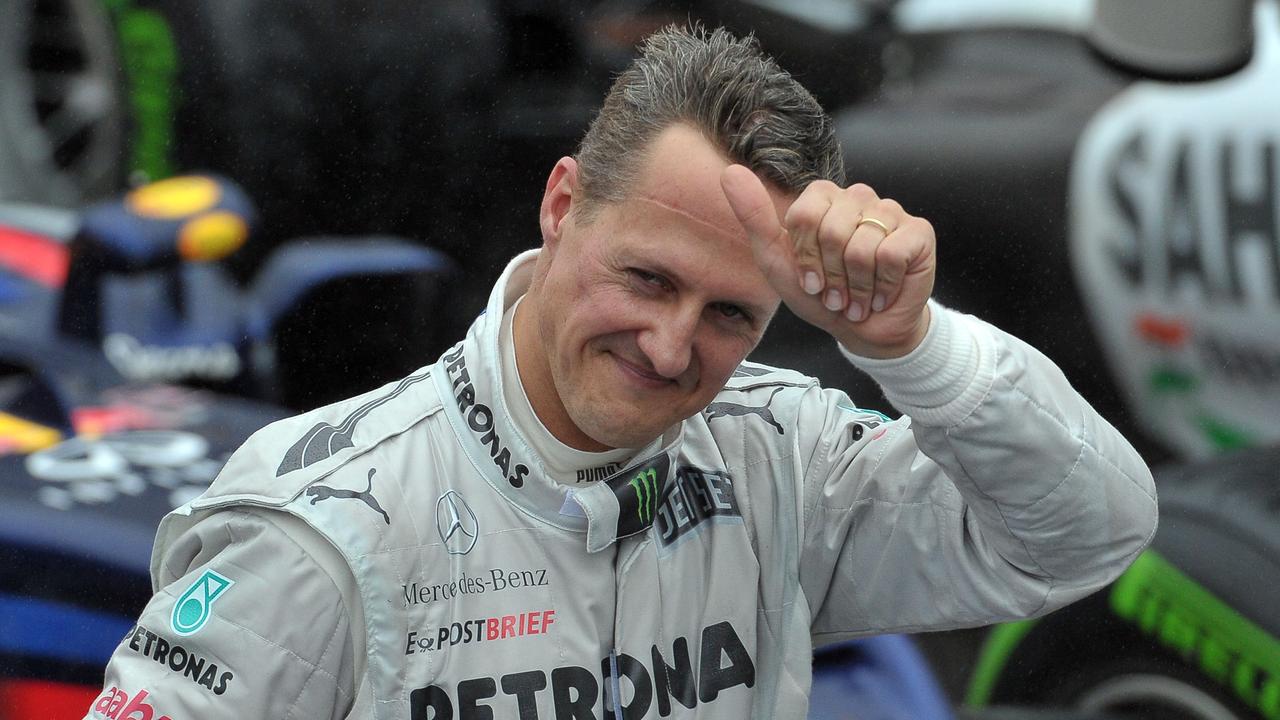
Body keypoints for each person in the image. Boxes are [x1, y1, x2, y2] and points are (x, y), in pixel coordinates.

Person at [85, 25, 1157, 720]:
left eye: (730, 313)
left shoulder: (780, 458)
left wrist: (914, 347)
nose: (670, 345)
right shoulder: (322, 522)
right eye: (645, 278)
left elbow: (1088, 533)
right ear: (561, 205)